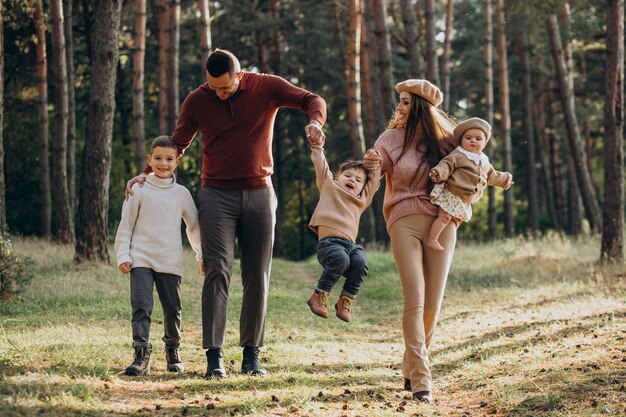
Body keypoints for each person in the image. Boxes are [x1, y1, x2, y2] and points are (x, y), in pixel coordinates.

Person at [125, 49, 326, 378]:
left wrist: (315, 123)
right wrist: (146, 173)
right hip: (217, 195)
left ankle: (251, 355)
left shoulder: (265, 86)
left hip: (261, 193)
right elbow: (178, 142)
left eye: (225, 88)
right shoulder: (197, 100)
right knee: (217, 271)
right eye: (213, 87)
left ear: (239, 75)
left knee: (257, 274)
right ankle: (214, 356)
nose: (219, 93)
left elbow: (311, 99)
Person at [364, 79, 457, 403]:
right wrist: (370, 167)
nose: (399, 107)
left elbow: (471, 172)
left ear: (419, 106)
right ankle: (421, 379)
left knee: (432, 304)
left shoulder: (446, 142)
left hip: (443, 225)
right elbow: (372, 181)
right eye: (400, 101)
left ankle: (409, 363)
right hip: (403, 219)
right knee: (414, 299)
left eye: (406, 102)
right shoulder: (389, 139)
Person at [115, 135, 203, 376]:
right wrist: (124, 254)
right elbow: (126, 225)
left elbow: (193, 226)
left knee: (172, 309)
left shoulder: (182, 193)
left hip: (170, 261)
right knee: (141, 306)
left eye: (169, 159)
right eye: (158, 158)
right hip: (140, 258)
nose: (163, 163)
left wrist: (200, 255)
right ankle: (141, 354)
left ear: (177, 161)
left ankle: (173, 350)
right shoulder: (139, 189)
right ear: (149, 160)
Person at [306, 131, 381, 322]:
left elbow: (374, 182)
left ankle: (346, 300)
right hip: (329, 245)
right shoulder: (328, 185)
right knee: (340, 259)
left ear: (362, 187)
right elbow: (320, 164)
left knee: (361, 263)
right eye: (347, 175)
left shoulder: (362, 199)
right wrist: (317, 146)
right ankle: (319, 295)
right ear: (338, 176)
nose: (352, 180)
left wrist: (375, 163)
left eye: (358, 180)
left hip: (351, 245)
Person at [427, 117, 513, 251]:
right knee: (444, 217)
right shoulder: (459, 155)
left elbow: (492, 175)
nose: (473, 141)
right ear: (461, 140)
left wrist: (505, 180)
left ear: (484, 143)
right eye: (468, 138)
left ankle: (445, 239)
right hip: (452, 193)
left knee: (457, 220)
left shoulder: (484, 161)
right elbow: (446, 165)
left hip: (466, 199)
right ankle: (432, 239)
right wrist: (438, 173)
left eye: (478, 139)